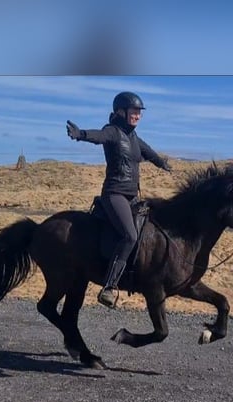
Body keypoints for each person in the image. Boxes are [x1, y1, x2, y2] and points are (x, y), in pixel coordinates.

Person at [66, 91, 172, 308]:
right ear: (121, 112)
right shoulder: (113, 132)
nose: (137, 116)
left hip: (132, 197)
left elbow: (149, 152)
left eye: (139, 113)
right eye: (134, 111)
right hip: (115, 194)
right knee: (130, 236)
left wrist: (162, 164)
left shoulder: (133, 137)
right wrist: (80, 134)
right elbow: (98, 136)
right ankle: (109, 286)